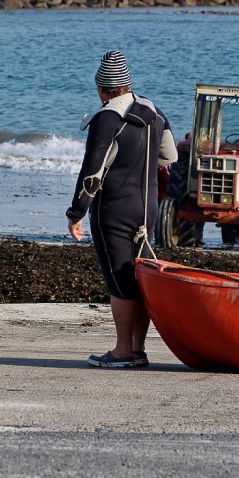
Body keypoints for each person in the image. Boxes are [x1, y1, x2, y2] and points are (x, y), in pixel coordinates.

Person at [67, 51, 177, 368]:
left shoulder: (106, 119)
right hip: (147, 208)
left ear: (103, 89)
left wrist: (76, 212)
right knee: (140, 277)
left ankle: (122, 351)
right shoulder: (154, 112)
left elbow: (92, 173)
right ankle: (138, 348)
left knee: (119, 279)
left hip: (113, 209)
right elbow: (169, 156)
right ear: (127, 85)